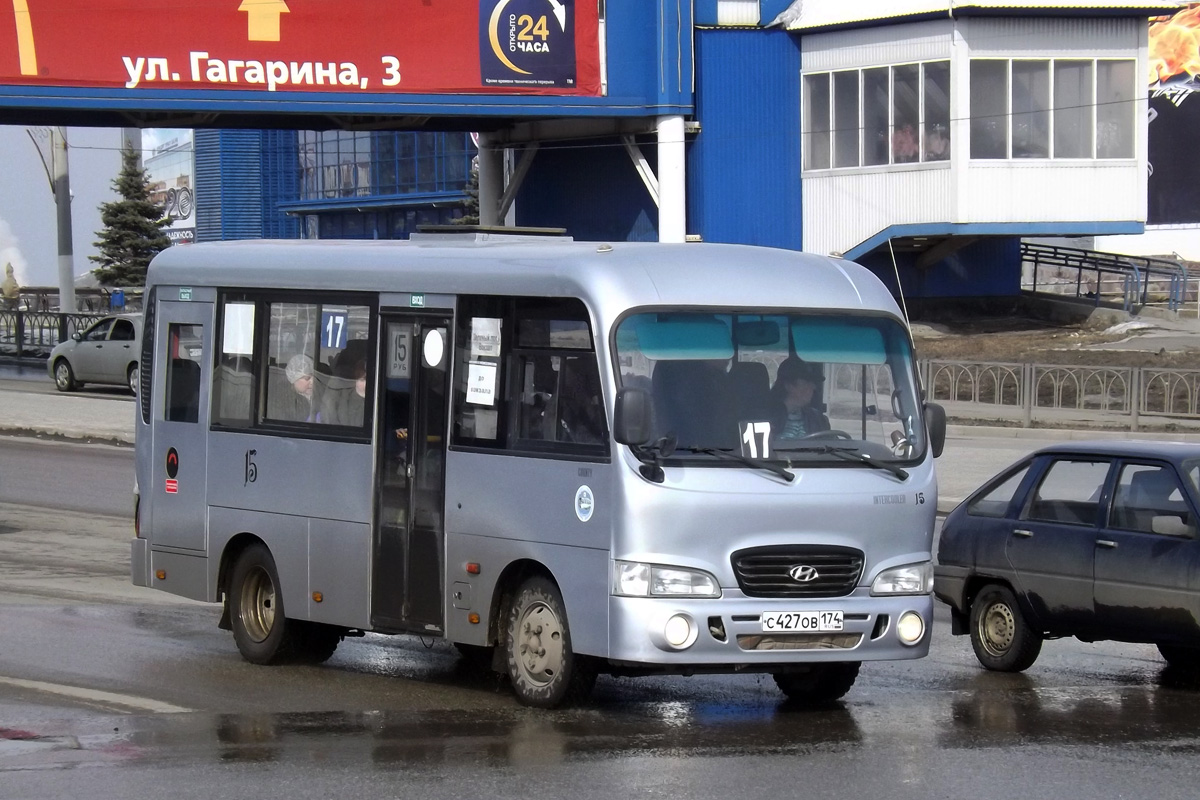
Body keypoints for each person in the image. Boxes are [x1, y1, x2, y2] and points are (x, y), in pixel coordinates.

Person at [770, 356, 830, 442]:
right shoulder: (765, 418)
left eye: (813, 382)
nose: (813, 387)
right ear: (789, 385)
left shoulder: (818, 420)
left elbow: (832, 446)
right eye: (807, 382)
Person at [283, 353, 319, 422]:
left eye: (315, 377)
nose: (312, 382)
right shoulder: (287, 403)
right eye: (307, 378)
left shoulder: (321, 398)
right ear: (294, 379)